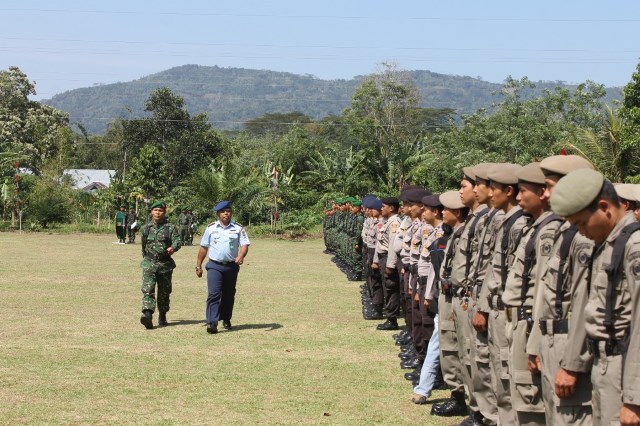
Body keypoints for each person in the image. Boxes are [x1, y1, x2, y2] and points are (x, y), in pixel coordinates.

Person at [551, 169, 640, 426]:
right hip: (604, 366)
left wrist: (634, 398)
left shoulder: (633, 246)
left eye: (581, 223)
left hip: (623, 370)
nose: (580, 232)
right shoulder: (607, 244)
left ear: (604, 207)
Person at [530, 155, 595, 425]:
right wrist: (537, 343)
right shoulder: (564, 232)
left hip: (570, 345)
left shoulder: (585, 239)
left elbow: (584, 306)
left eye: (549, 186)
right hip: (553, 339)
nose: (543, 195)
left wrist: (572, 363)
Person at [196, 201, 250, 334]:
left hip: (231, 266)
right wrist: (198, 265)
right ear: (218, 214)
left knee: (228, 294)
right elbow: (204, 247)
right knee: (214, 294)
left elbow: (244, 244)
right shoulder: (211, 228)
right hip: (215, 265)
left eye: (228, 211)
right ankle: (212, 323)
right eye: (223, 211)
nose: (226, 213)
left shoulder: (238, 228)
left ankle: (226, 318)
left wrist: (241, 256)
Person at [139, 201, 182, 329]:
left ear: (165, 212)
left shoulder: (170, 228)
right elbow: (143, 246)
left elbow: (177, 242)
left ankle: (162, 315)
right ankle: (147, 315)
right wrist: (147, 259)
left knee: (164, 292)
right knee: (148, 289)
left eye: (161, 210)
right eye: (156, 210)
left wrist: (173, 248)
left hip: (165, 265)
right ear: (152, 212)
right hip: (149, 263)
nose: (158, 213)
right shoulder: (146, 228)